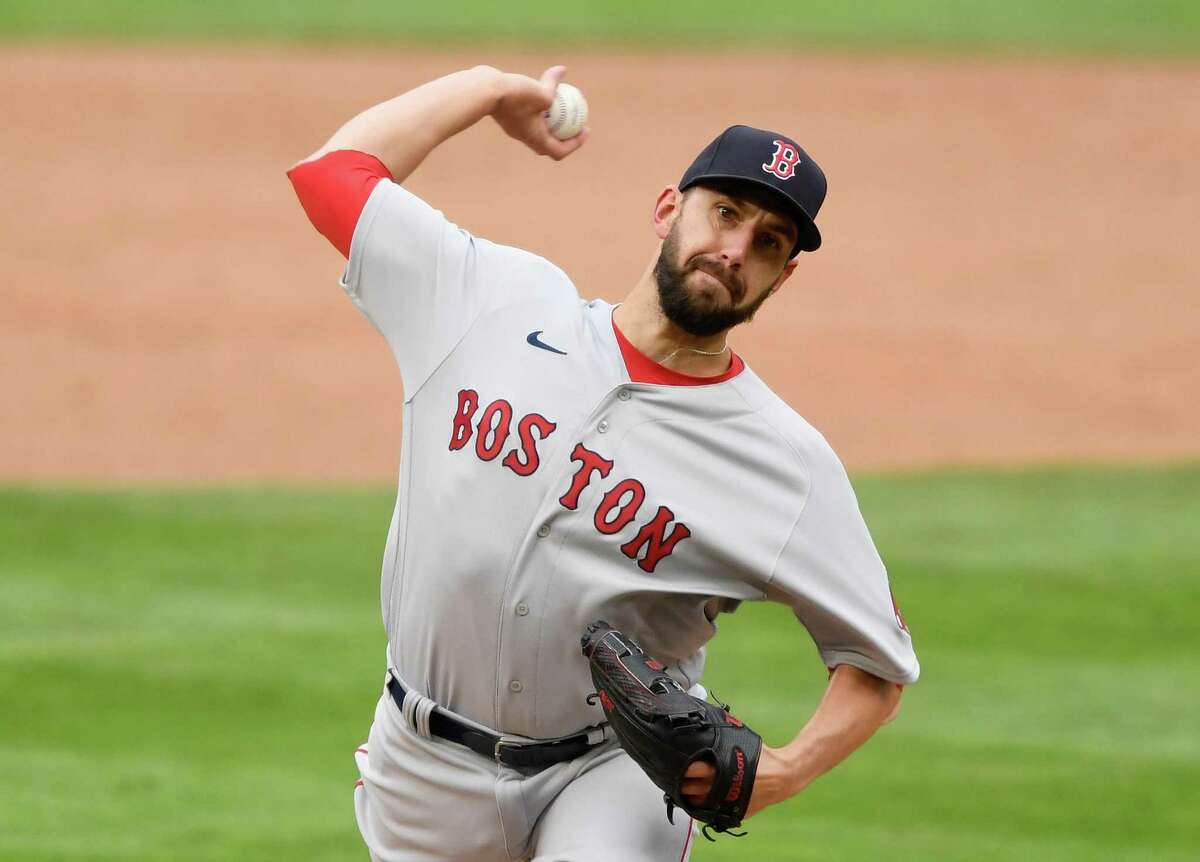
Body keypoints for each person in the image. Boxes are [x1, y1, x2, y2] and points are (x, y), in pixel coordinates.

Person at [287, 64, 919, 862]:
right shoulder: (493, 302)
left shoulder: (781, 460)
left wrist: (782, 774)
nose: (733, 250)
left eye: (767, 242)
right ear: (667, 209)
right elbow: (331, 176)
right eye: (723, 214)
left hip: (610, 771)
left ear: (782, 277)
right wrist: (488, 90)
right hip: (420, 769)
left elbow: (875, 663)